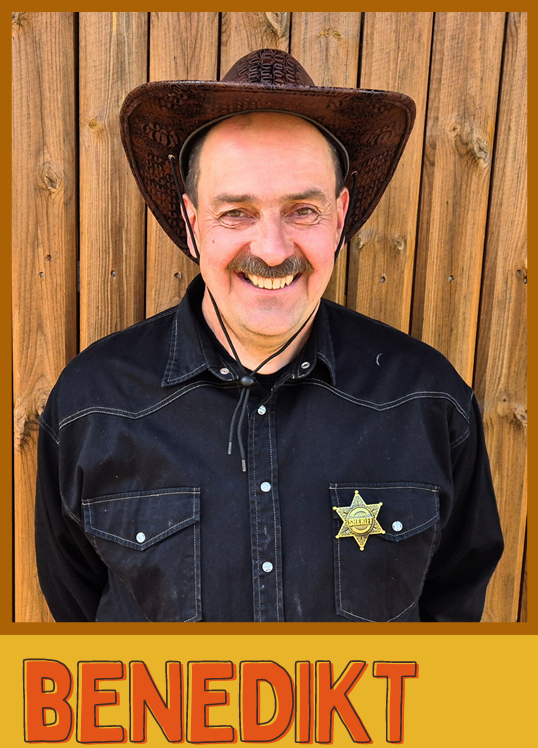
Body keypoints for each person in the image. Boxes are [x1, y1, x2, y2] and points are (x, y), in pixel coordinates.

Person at [35, 48, 503, 622]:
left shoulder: (429, 401)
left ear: (339, 217)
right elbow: (78, 616)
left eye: (302, 210)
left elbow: (453, 618)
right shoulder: (92, 405)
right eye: (236, 212)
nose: (273, 250)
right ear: (192, 223)